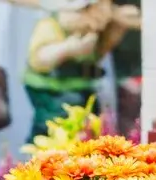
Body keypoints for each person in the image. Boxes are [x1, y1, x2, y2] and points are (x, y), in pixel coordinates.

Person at [22, 0, 141, 141]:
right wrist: (69, 48)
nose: (96, 17)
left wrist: (116, 29)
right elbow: (39, 59)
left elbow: (98, 53)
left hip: (84, 91)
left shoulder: (92, 29)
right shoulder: (52, 25)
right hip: (53, 91)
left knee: (88, 129)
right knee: (51, 130)